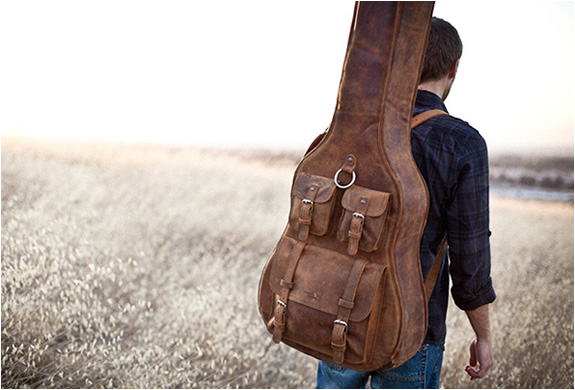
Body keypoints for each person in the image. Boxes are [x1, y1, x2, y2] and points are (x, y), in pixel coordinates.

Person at [316, 17, 496, 389]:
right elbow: (470, 262)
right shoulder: (462, 143)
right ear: (453, 68)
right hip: (412, 328)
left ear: (403, 60)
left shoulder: (353, 127)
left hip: (338, 315)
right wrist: (483, 336)